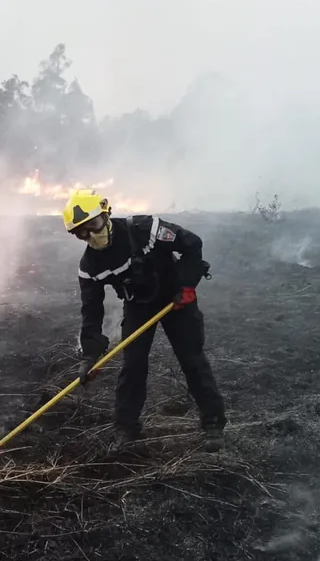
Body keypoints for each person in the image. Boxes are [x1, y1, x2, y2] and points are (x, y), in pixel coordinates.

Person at [65, 189, 227, 450]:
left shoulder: (145, 228)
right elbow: (91, 311)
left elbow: (192, 244)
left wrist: (186, 286)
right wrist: (90, 355)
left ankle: (213, 424)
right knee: (133, 364)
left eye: (93, 225)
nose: (92, 236)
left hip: (177, 299)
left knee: (192, 360)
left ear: (105, 214)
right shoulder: (89, 267)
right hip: (138, 306)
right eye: (82, 233)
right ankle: (126, 429)